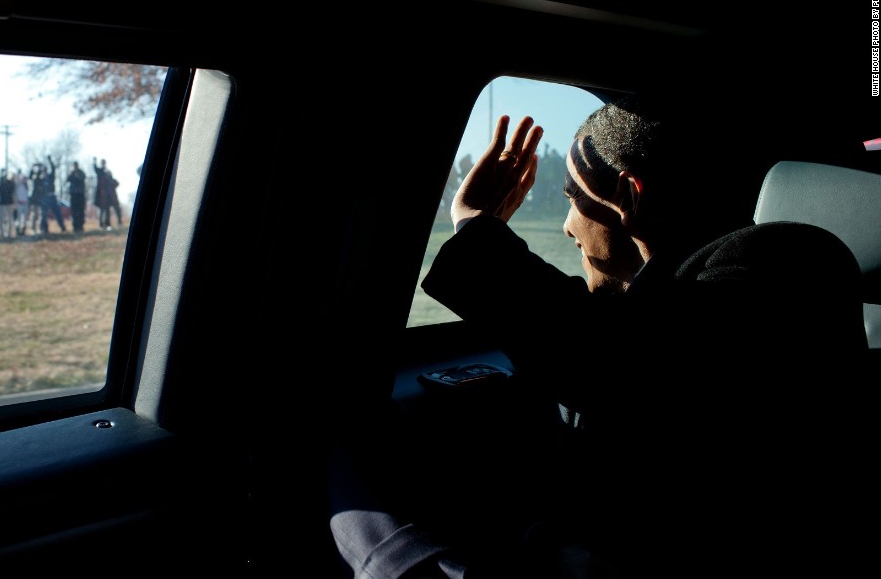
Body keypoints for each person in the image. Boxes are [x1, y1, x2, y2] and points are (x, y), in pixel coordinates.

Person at [329, 96, 870, 579]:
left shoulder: (787, 260)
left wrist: (475, 227)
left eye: (571, 198)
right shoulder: (659, 309)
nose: (568, 225)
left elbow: (630, 365)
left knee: (355, 497)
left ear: (626, 197)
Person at [67, 161, 87, 232]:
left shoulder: (81, 172)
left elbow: (83, 178)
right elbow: (68, 179)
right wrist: (72, 173)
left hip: (80, 195)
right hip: (73, 195)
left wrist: (77, 175)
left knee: (81, 211)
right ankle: (75, 227)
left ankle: (80, 226)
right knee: (74, 211)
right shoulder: (71, 173)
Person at [0, 169, 17, 238]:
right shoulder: (1, 182)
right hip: (2, 203)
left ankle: (9, 233)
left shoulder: (11, 183)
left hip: (9, 203)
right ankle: (2, 233)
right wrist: (2, 173)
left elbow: (13, 186)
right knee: (2, 219)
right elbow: (0, 183)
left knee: (9, 219)